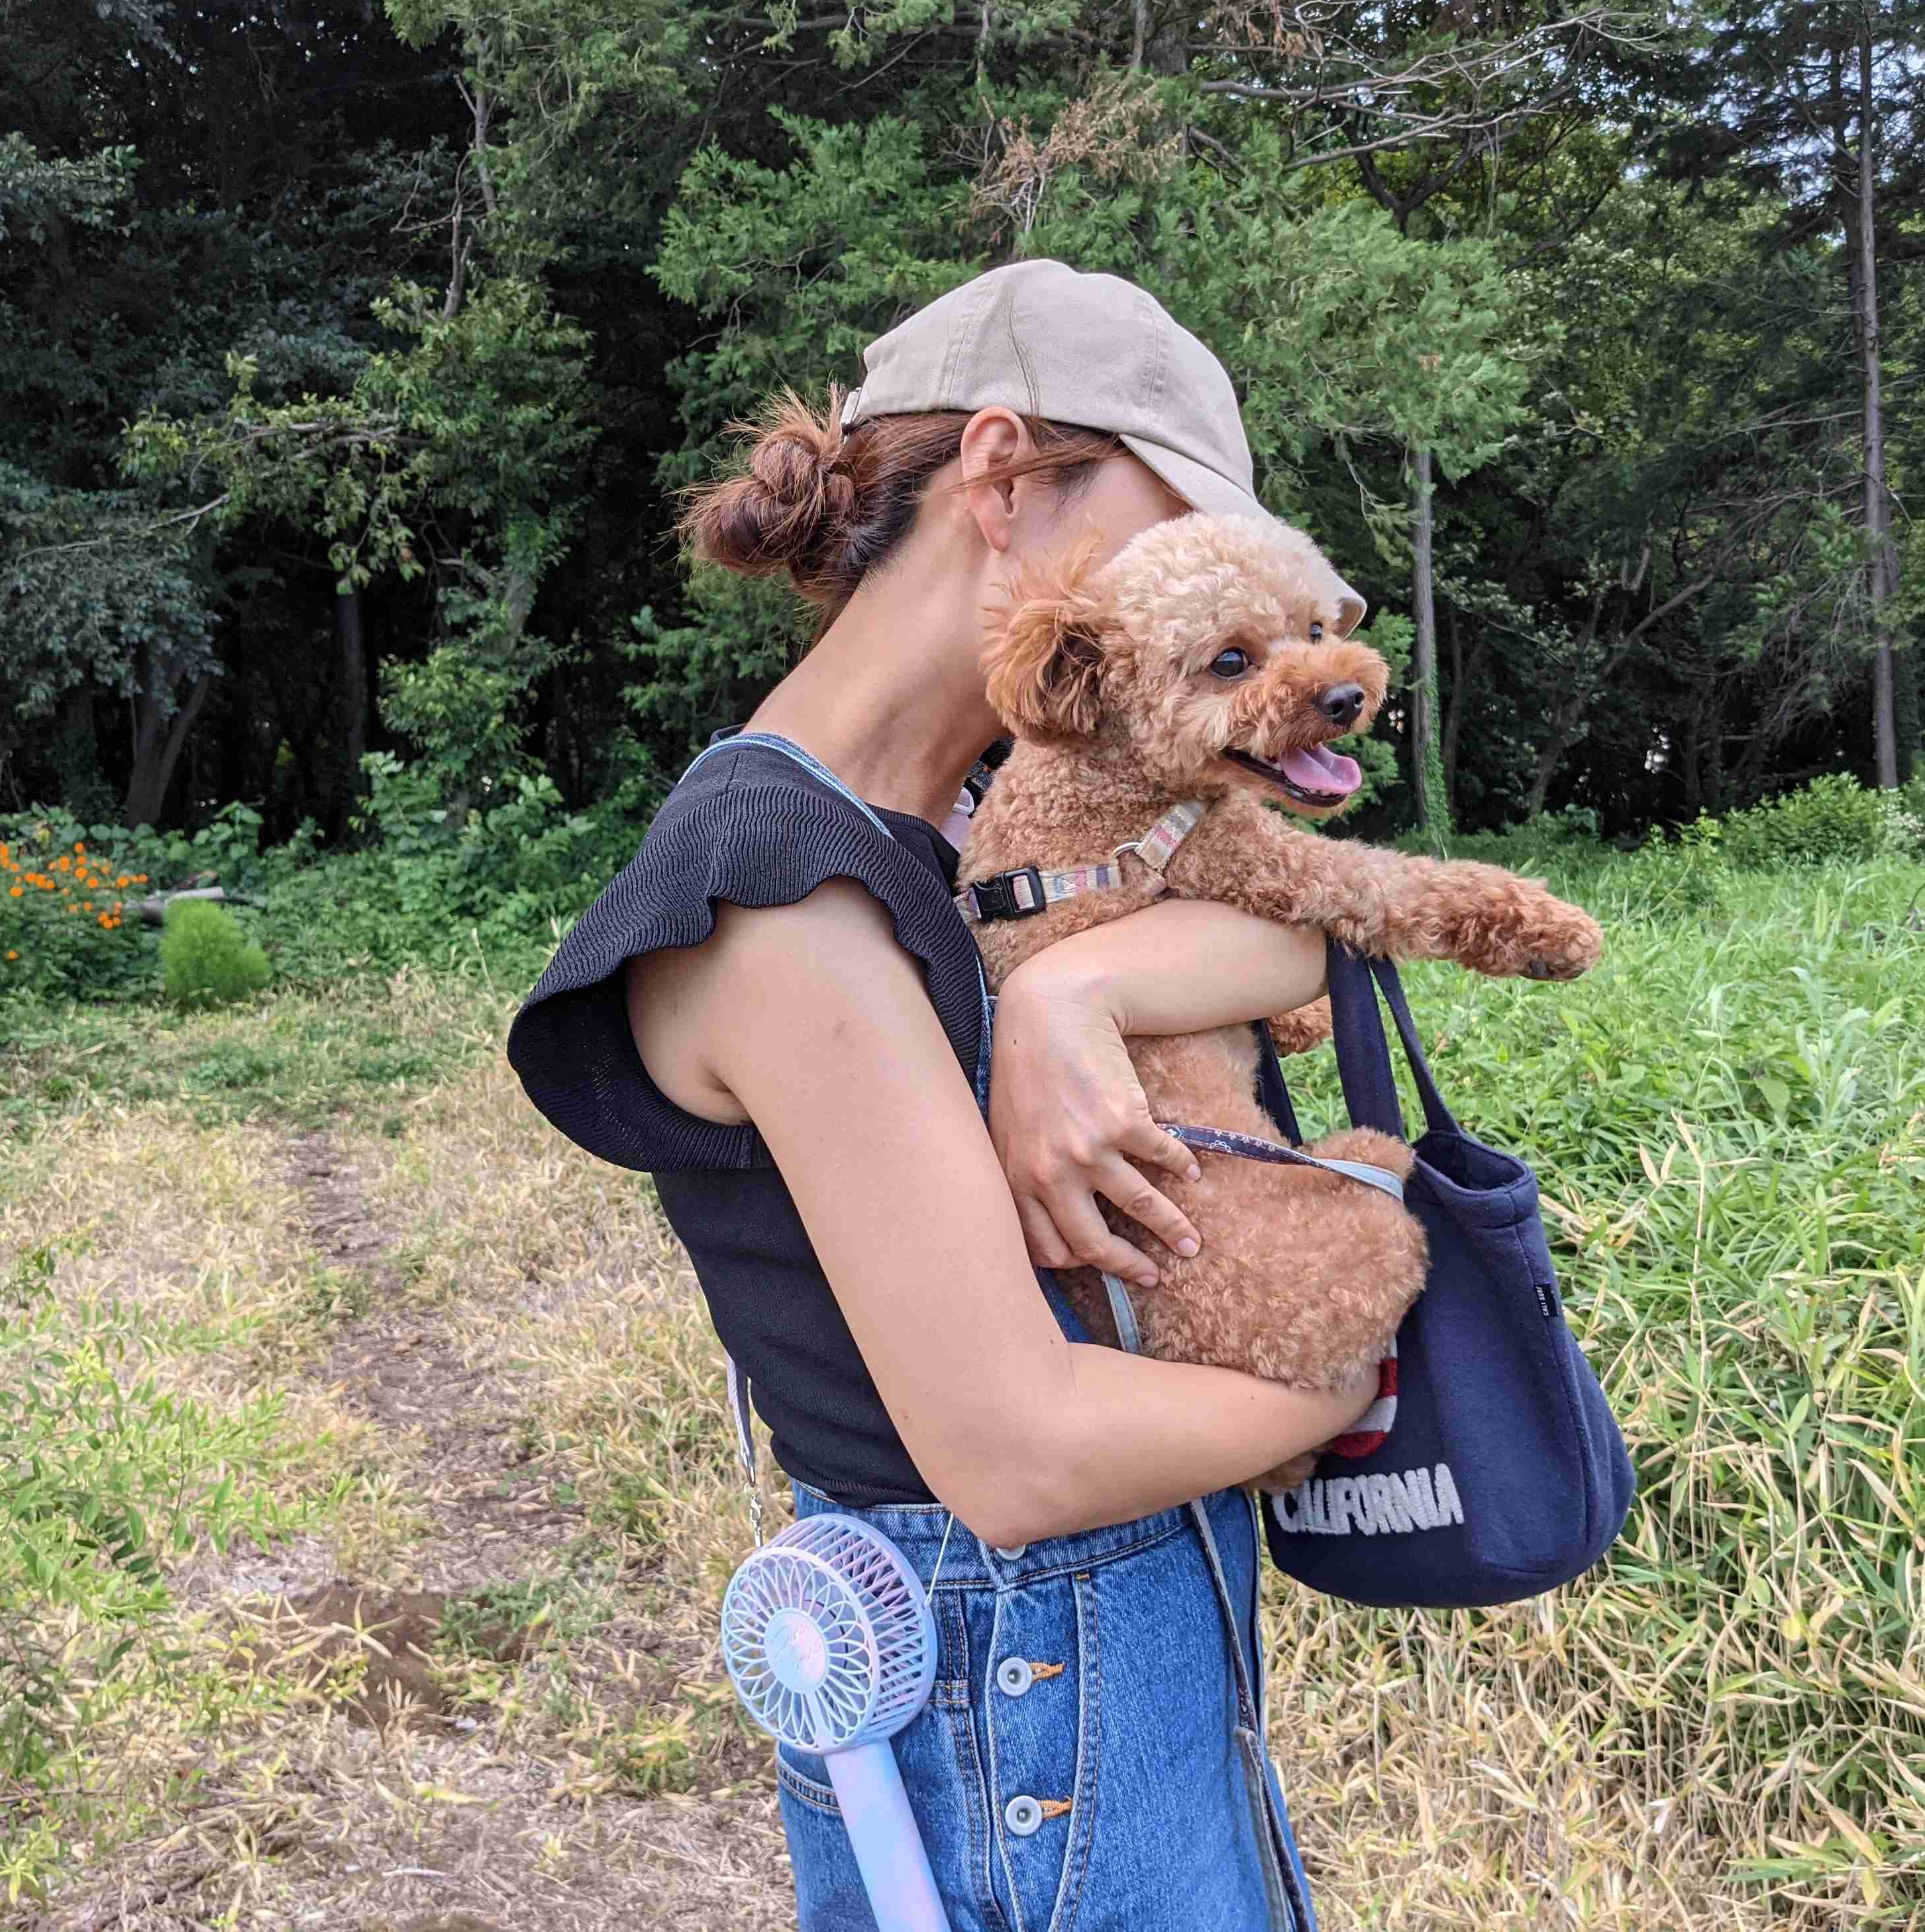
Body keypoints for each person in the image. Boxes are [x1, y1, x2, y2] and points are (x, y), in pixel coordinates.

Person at [509, 260, 1377, 1931]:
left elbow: (1305, 930)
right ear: (1000, 476)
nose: (1215, 586)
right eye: (1177, 526)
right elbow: (1021, 1455)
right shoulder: (778, 894)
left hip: (1116, 1626)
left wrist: (1073, 989)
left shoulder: (976, 815)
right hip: (1013, 1669)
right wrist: (1362, 1372)